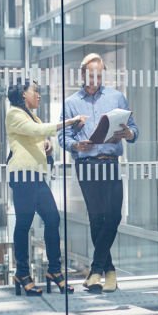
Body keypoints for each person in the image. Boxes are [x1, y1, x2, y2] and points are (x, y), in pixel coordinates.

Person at [59, 53, 139, 293]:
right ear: (82, 74)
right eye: (90, 74)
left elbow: (134, 129)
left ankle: (96, 269)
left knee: (113, 216)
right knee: (96, 218)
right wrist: (75, 145)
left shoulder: (116, 97)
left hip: (110, 162)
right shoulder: (71, 103)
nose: (95, 78)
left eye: (99, 74)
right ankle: (109, 272)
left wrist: (128, 134)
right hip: (86, 164)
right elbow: (63, 136)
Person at [5, 81, 85, 295]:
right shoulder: (14, 113)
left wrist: (47, 146)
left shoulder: (32, 115)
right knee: (24, 223)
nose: (38, 96)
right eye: (35, 91)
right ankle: (22, 272)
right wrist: (69, 122)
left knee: (53, 219)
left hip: (36, 175)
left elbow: (36, 137)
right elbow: (36, 131)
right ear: (23, 94)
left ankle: (54, 271)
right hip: (22, 175)